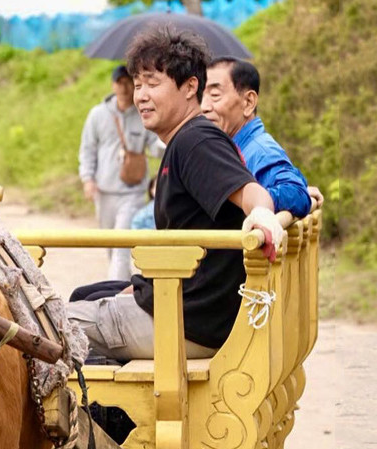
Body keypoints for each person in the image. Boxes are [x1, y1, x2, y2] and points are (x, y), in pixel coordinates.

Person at [66, 27, 285, 362]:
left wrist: (263, 216)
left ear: (189, 87)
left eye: (153, 83)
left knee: (47, 325)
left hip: (191, 322)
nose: (140, 95)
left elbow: (252, 194)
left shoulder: (196, 141)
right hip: (187, 305)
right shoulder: (182, 141)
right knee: (86, 294)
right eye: (137, 84)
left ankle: (107, 414)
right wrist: (139, 289)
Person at [79, 64, 163, 281]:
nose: (125, 88)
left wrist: (172, 140)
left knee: (121, 245)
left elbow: (154, 145)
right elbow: (87, 149)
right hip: (105, 191)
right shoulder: (98, 114)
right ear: (113, 85)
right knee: (110, 244)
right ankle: (120, 284)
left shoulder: (142, 114)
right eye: (120, 83)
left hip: (132, 191)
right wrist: (88, 179)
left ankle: (117, 290)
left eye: (129, 83)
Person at [201, 57, 315, 218]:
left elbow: (296, 193)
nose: (203, 107)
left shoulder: (260, 150)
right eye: (200, 96)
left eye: (214, 95)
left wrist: (248, 201)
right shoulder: (231, 147)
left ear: (248, 102)